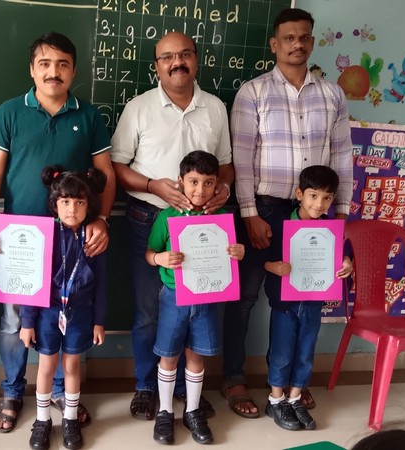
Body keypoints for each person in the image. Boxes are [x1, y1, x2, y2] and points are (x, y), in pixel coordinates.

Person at [0, 32, 116, 433]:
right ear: (32, 69)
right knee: (13, 319)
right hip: (18, 237)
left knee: (69, 313)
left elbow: (105, 174)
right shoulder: (9, 112)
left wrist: (102, 219)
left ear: (74, 70)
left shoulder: (89, 116)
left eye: (63, 64)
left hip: (73, 236)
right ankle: (12, 391)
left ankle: (58, 391)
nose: (54, 72)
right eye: (45, 64)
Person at [226, 7, 353, 419]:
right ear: (275, 44)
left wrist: (340, 215)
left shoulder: (332, 95)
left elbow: (343, 157)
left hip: (314, 212)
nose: (297, 44)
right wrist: (250, 213)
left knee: (304, 297)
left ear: (312, 41)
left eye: (304, 37)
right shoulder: (253, 92)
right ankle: (234, 378)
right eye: (289, 38)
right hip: (265, 207)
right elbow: (242, 158)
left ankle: (288, 387)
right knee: (245, 297)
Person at [110, 31, 233, 421]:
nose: (177, 62)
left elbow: (226, 165)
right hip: (150, 218)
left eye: (184, 55)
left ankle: (184, 389)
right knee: (150, 311)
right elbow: (116, 166)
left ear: (196, 60)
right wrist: (151, 185)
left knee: (196, 309)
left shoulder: (215, 108)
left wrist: (223, 189)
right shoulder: (139, 107)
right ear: (157, 66)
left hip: (202, 227)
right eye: (167, 57)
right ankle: (148, 386)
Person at [145, 151, 244, 445]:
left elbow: (232, 255)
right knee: (168, 355)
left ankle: (192, 410)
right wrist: (160, 258)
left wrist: (239, 252)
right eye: (194, 182)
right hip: (174, 296)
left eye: (208, 183)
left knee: (196, 355)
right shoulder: (167, 217)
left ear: (217, 185)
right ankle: (165, 411)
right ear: (181, 181)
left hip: (207, 298)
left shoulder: (222, 219)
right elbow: (149, 253)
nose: (200, 190)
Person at [19, 166, 107, 450]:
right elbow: (32, 281)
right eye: (65, 202)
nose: (72, 209)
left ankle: (69, 418)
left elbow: (102, 283)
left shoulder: (94, 237)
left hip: (79, 314)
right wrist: (27, 322)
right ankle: (42, 420)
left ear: (89, 205)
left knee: (71, 366)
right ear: (54, 204)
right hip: (47, 313)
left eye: (80, 202)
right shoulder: (44, 235)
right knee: (46, 366)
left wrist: (99, 321)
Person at [262, 166, 352, 431]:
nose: (319, 204)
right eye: (313, 196)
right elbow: (261, 260)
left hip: (313, 301)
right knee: (281, 351)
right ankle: (275, 400)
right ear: (299, 194)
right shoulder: (280, 224)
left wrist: (346, 263)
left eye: (327, 198)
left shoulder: (330, 229)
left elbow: (340, 258)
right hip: (284, 303)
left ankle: (295, 397)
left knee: (305, 351)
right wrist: (274, 267)